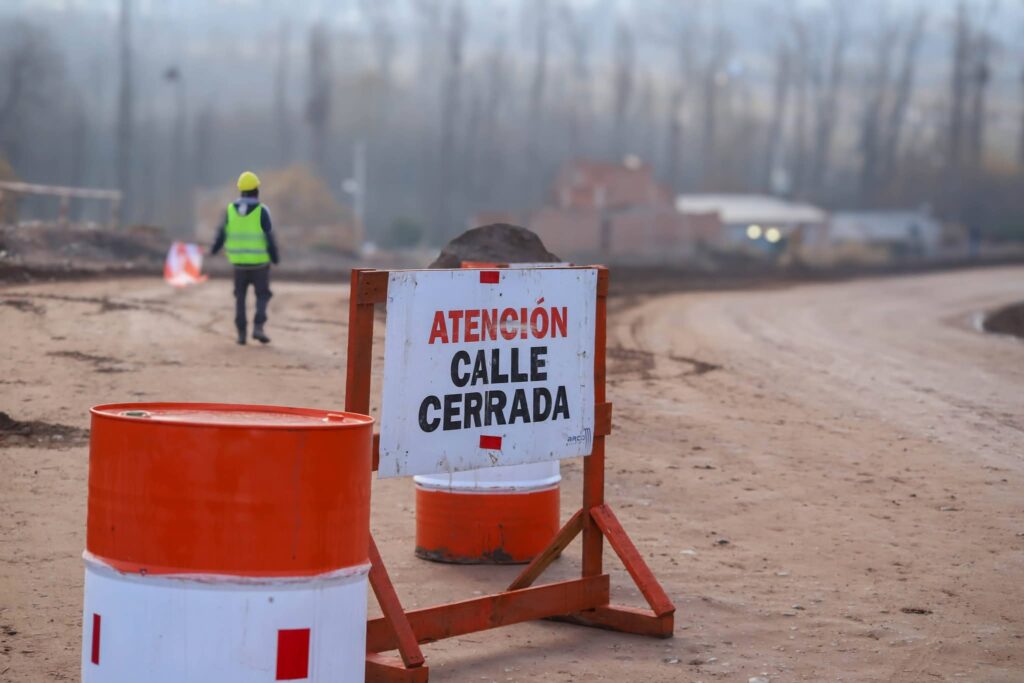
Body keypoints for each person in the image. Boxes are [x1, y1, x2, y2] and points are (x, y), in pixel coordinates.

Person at [211, 171, 280, 345]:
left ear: (240, 190)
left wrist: (213, 250)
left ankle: (241, 334)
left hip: (239, 264)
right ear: (257, 189)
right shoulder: (262, 211)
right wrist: (275, 256)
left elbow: (221, 235)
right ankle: (258, 327)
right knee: (263, 295)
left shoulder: (229, 211)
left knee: (240, 297)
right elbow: (269, 237)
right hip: (259, 265)